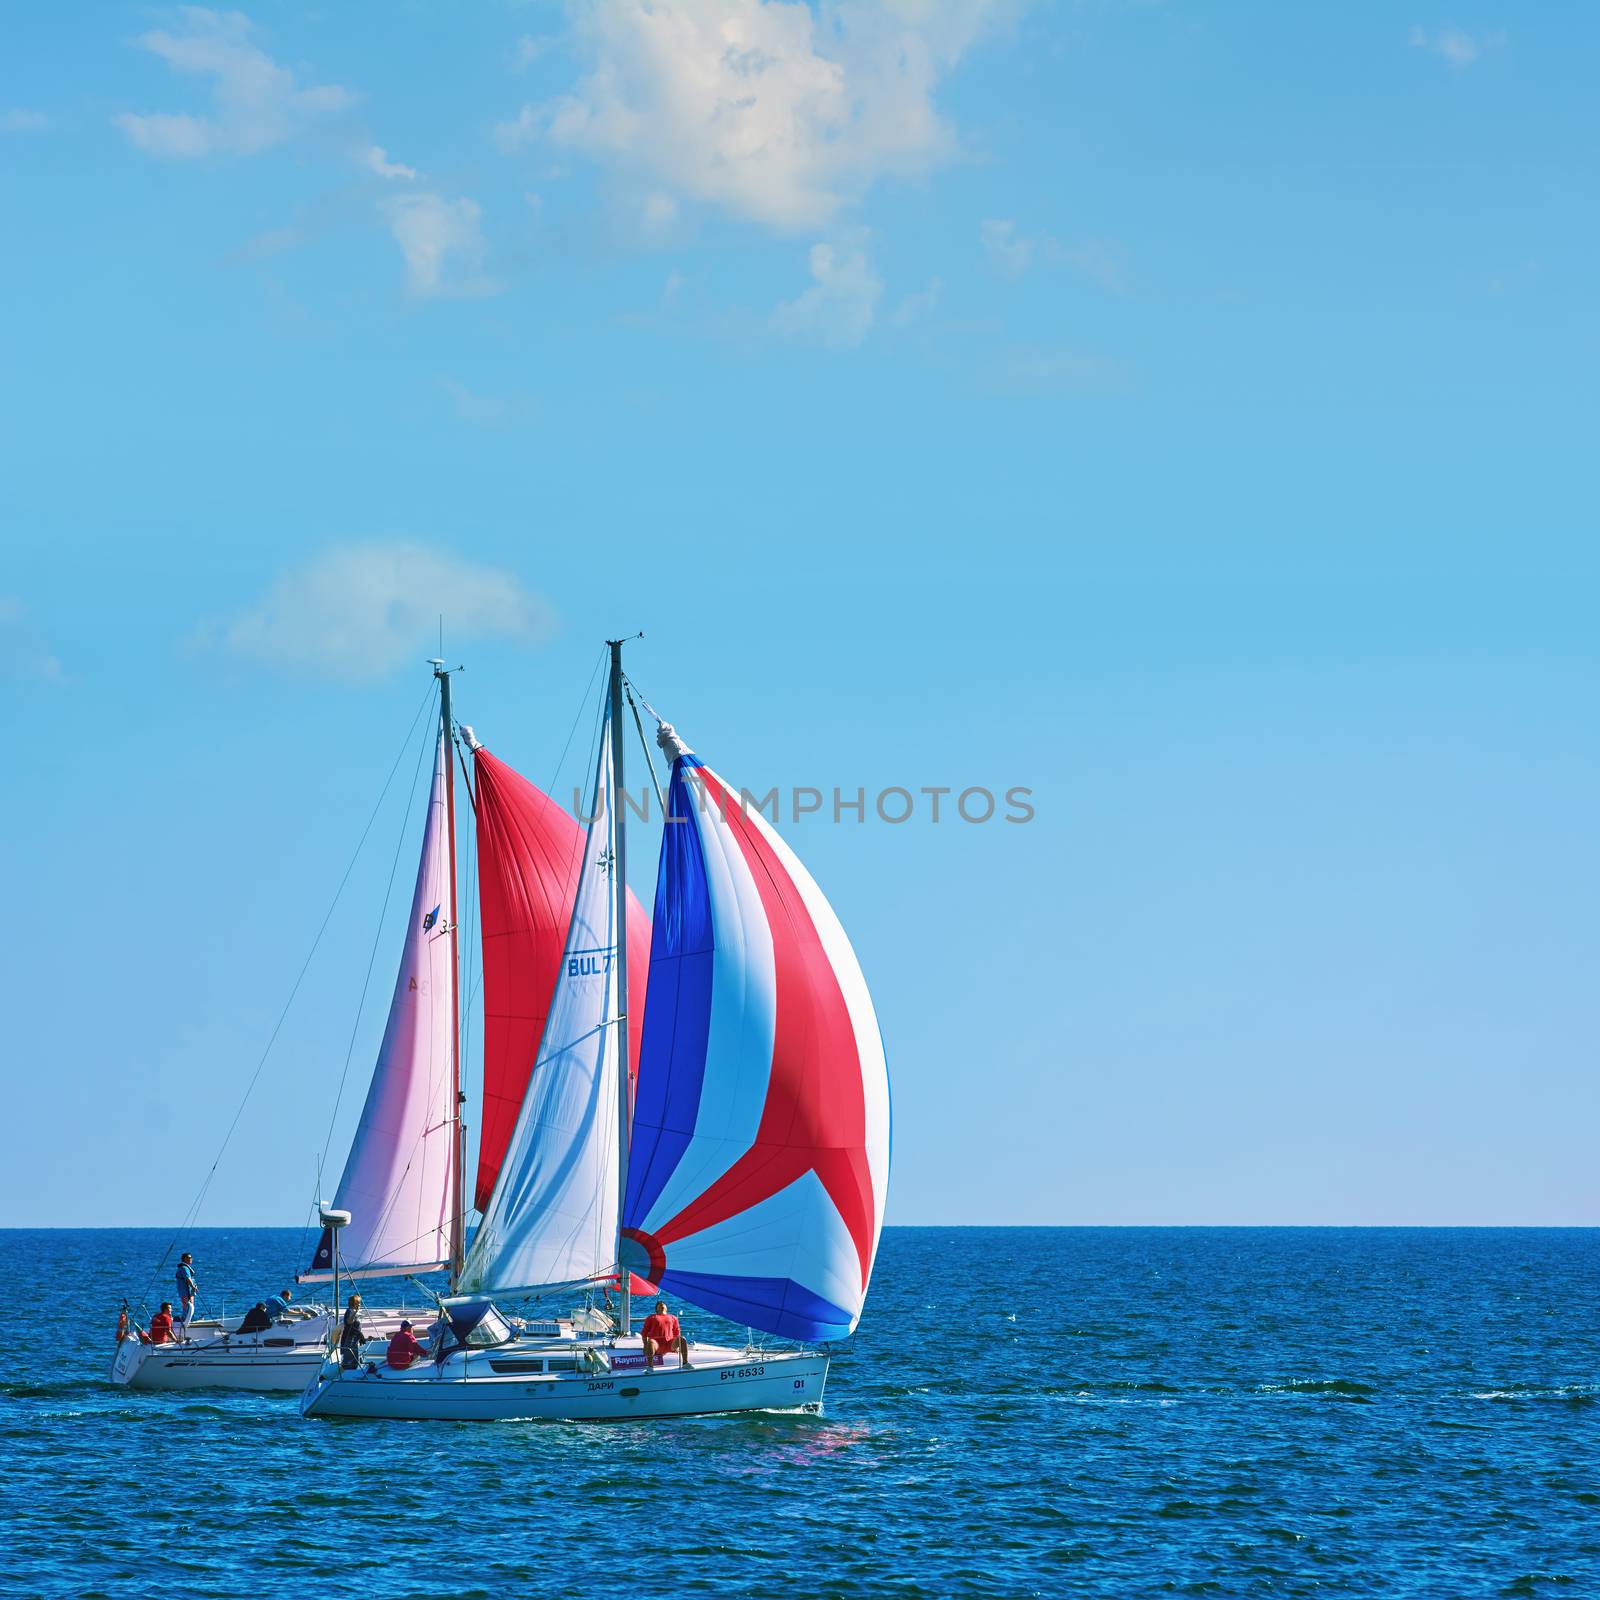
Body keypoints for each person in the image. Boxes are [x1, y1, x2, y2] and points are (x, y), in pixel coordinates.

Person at [640, 1299, 690, 1372]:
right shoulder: (651, 1317)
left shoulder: (673, 1317)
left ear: (666, 1308)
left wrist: (677, 1346)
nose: (661, 1304)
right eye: (659, 1304)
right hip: (656, 1344)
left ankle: (685, 1363)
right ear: (656, 1309)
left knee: (682, 1339)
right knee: (650, 1342)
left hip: (669, 1343)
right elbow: (644, 1332)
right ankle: (650, 1367)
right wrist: (645, 1346)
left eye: (663, 1304)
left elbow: (677, 1332)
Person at [339, 1294, 366, 1371]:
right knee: (349, 1361)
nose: (360, 1304)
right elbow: (349, 1322)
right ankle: (346, 1375)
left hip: (354, 1339)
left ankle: (352, 1374)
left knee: (354, 1361)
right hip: (349, 1339)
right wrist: (356, 1312)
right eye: (359, 1302)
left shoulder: (352, 1311)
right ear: (355, 1303)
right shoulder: (350, 1311)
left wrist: (360, 1336)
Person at [174, 1252, 198, 1333]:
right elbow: (188, 1279)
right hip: (185, 1291)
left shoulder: (185, 1267)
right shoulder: (184, 1268)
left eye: (191, 1257)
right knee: (188, 1306)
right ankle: (186, 1322)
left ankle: (188, 1320)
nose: (191, 1259)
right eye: (189, 1257)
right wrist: (193, 1287)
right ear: (184, 1259)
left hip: (186, 1291)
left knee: (188, 1307)